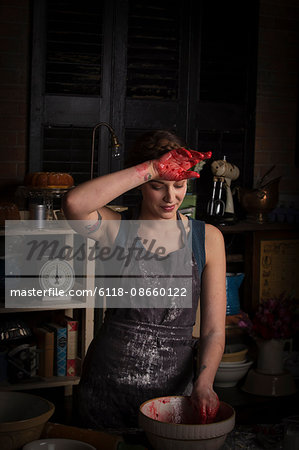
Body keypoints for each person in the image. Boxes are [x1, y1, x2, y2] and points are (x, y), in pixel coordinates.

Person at [63, 130, 226, 430]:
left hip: (173, 391)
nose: (171, 197)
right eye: (157, 186)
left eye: (179, 186)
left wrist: (204, 383)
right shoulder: (116, 228)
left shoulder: (208, 239)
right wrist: (152, 167)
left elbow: (214, 330)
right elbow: (74, 203)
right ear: (141, 185)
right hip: (108, 386)